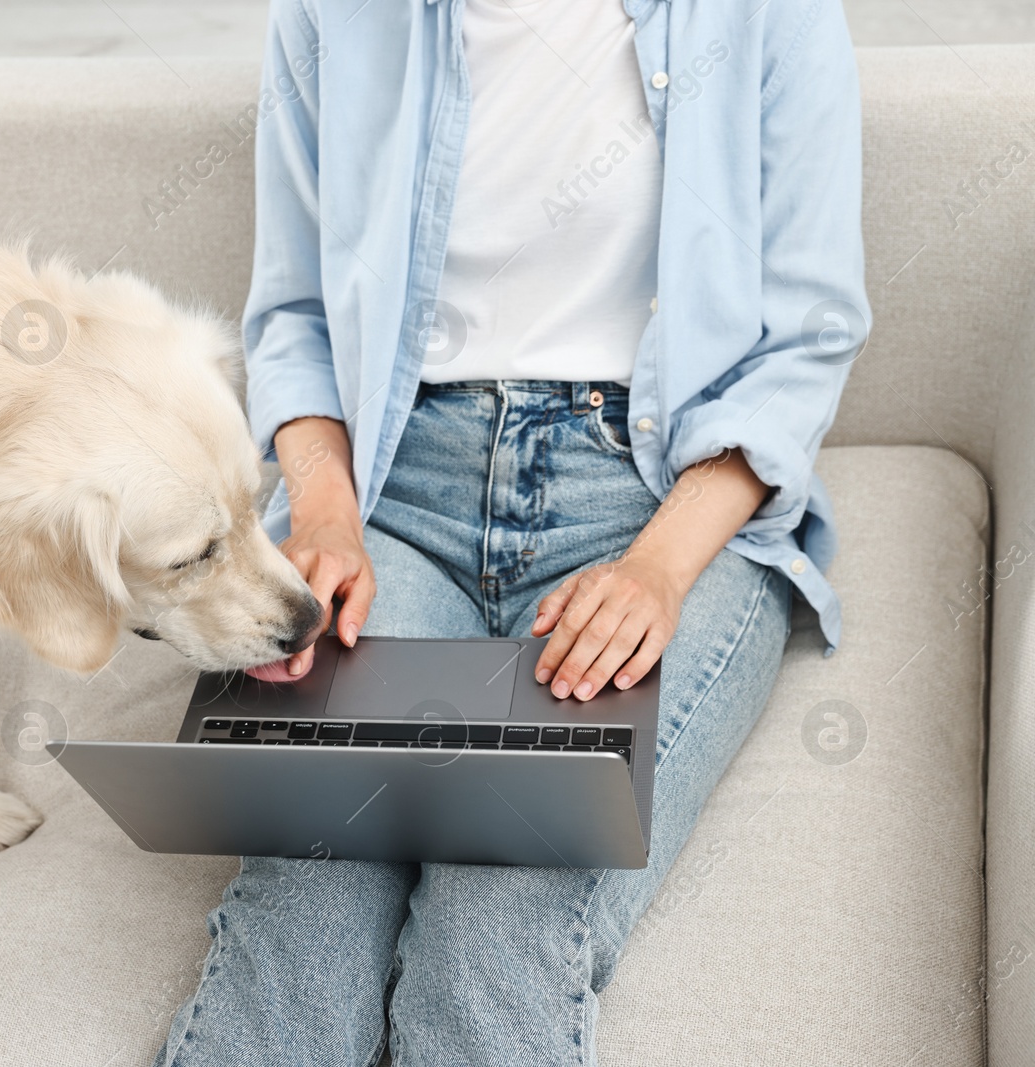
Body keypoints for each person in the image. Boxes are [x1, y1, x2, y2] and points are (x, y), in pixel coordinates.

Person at [154, 0, 868, 1064]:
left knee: (508, 891)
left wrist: (656, 571)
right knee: (311, 878)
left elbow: (807, 333)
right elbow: (294, 314)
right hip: (396, 488)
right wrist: (325, 515)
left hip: (659, 500)